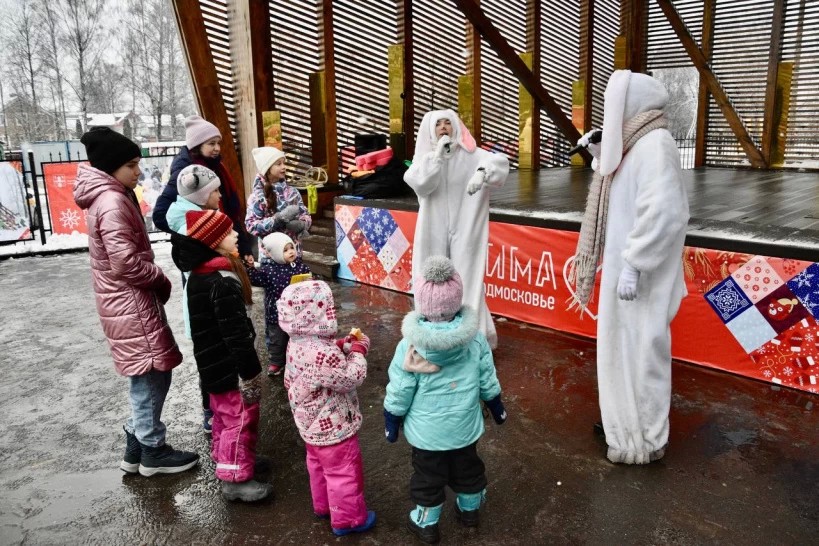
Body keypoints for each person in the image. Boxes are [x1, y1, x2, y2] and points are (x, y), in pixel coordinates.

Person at [568, 70, 690, 465]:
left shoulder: (657, 145)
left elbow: (665, 212)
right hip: (628, 271)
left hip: (643, 277)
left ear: (631, 104)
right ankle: (623, 423)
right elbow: (620, 186)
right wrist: (601, 153)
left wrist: (635, 264)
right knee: (621, 349)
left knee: (642, 351)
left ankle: (647, 437)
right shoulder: (639, 142)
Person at [73, 127, 199, 477]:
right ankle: (152, 449)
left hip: (127, 301)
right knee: (150, 373)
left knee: (153, 370)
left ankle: (136, 441)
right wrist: (158, 279)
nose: (138, 171)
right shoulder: (112, 200)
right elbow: (125, 262)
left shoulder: (111, 194)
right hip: (130, 301)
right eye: (131, 165)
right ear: (111, 167)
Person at [383, 255, 507, 544]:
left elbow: (401, 387)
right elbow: (487, 377)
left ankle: (427, 524)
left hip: (427, 435)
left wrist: (392, 419)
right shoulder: (475, 339)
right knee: (468, 467)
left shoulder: (410, 345)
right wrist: (496, 406)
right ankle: (469, 511)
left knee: (428, 476)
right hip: (464, 427)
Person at [170, 209, 273, 502]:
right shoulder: (221, 281)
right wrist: (250, 371)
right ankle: (236, 480)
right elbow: (236, 335)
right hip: (230, 368)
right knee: (239, 420)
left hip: (212, 365)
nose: (237, 235)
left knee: (224, 419)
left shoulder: (202, 274)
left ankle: (231, 459)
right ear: (213, 241)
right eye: (228, 233)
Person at [276, 280, 376, 537]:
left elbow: (318, 365)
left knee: (318, 466)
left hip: (311, 425)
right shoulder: (324, 353)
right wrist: (358, 351)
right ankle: (349, 520)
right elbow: (350, 377)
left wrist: (341, 344)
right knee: (343, 471)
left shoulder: (296, 342)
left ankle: (323, 506)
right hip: (334, 426)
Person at [404, 109, 509, 349]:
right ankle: (427, 334)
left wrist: (483, 173)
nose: (443, 128)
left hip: (467, 218)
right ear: (430, 130)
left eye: (447, 123)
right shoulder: (427, 158)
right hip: (434, 220)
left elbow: (499, 162)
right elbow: (420, 183)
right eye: (438, 124)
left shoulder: (471, 156)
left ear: (456, 127)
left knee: (469, 275)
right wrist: (436, 158)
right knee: (427, 272)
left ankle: (475, 337)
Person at [166, 164, 223, 433]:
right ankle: (210, 411)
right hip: (204, 306)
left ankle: (219, 409)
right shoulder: (196, 224)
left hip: (211, 301)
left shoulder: (203, 218)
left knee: (216, 359)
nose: (220, 196)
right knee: (210, 360)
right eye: (215, 191)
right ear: (200, 197)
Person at [153, 115, 253, 261]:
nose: (217, 148)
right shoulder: (186, 174)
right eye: (212, 144)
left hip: (224, 248)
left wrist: (244, 246)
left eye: (218, 143)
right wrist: (197, 237)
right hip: (201, 258)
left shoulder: (216, 167)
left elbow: (229, 212)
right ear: (197, 145)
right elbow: (160, 215)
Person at [246, 232, 311, 376]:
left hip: (296, 312)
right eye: (285, 250)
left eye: (292, 248)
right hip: (276, 315)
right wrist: (250, 269)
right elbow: (255, 279)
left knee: (295, 338)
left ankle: (296, 360)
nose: (291, 252)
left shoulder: (299, 267)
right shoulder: (267, 271)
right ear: (275, 253)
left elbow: (308, 281)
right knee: (277, 340)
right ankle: (276, 362)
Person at [245, 146, 312, 258]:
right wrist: (277, 220)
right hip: (271, 258)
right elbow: (251, 226)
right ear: (267, 168)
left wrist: (302, 224)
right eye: (278, 164)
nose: (284, 167)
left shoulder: (293, 192)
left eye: (284, 163)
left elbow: (305, 215)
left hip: (294, 255)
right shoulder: (257, 197)